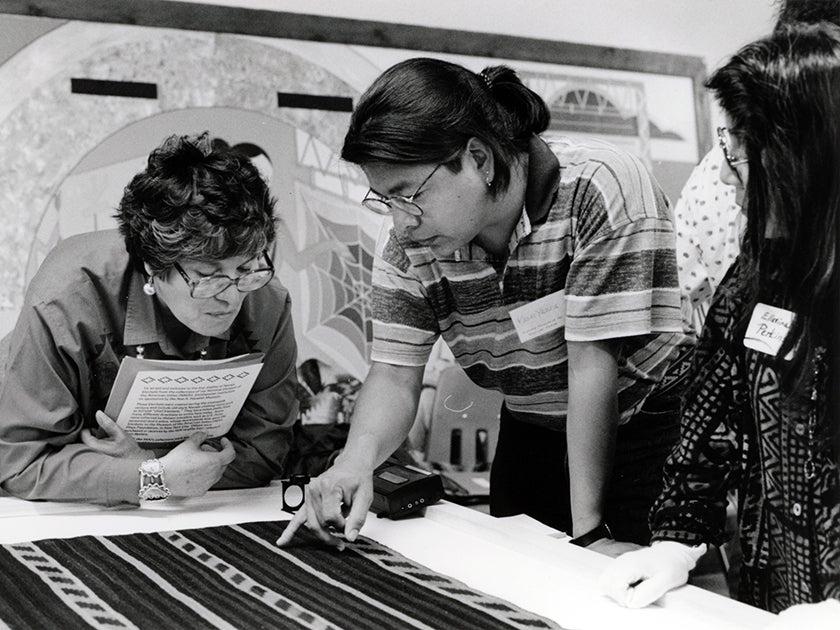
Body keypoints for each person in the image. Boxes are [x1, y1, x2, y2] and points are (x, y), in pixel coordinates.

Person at [278, 57, 694, 551]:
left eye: (407, 195)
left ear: (478, 158)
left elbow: (592, 368)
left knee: (624, 588)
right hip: (532, 423)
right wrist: (354, 461)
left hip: (644, 419)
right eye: (384, 200)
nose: (401, 221)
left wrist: (590, 533)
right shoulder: (411, 247)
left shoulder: (598, 188)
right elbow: (393, 375)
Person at [599, 22, 840, 622]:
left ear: (798, 156)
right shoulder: (760, 268)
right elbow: (711, 407)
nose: (727, 174)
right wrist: (678, 539)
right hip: (771, 587)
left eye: (738, 150)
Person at [0, 132, 300, 505]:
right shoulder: (67, 296)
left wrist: (149, 467)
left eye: (245, 268)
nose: (232, 294)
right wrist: (152, 479)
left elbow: (264, 454)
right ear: (152, 267)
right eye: (207, 276)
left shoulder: (266, 300)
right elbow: (21, 464)